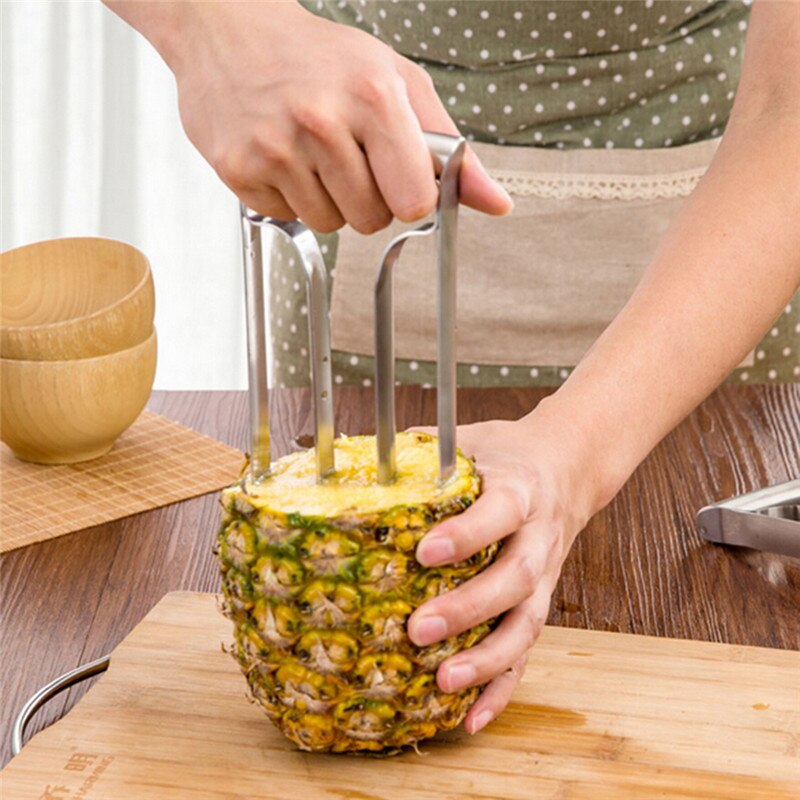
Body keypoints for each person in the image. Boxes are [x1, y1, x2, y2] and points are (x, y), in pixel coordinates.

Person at [106, 0, 799, 735]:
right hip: (352, 231)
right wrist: (212, 24)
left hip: (721, 299)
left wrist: (577, 450)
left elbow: (788, 108)